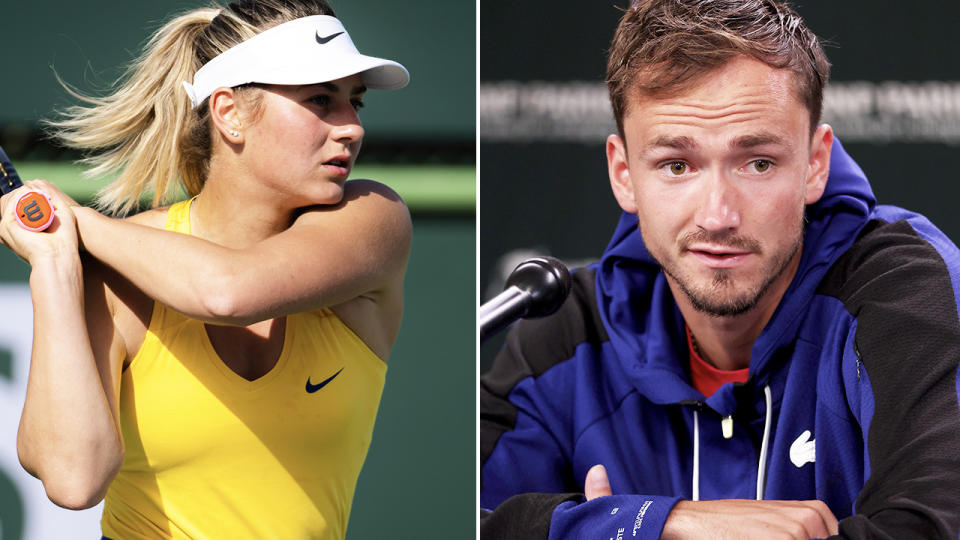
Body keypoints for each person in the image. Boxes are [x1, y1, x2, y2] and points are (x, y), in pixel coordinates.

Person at [480, 0, 960, 538]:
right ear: (623, 174)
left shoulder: (907, 293)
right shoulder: (567, 332)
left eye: (758, 162)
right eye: (677, 165)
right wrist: (650, 525)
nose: (718, 215)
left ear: (815, 164)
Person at [1, 1, 411, 538]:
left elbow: (227, 292)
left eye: (354, 103)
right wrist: (54, 261)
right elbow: (74, 480)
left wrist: (78, 223)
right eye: (320, 100)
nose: (351, 128)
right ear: (229, 113)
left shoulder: (373, 219)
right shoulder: (116, 271)